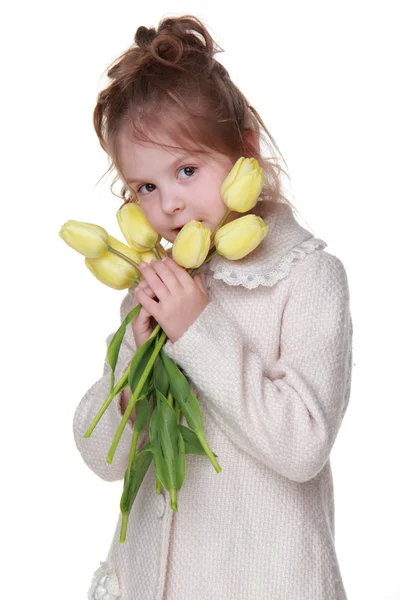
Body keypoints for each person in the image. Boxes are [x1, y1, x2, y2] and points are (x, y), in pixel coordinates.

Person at [73, 14, 353, 600]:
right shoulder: (155, 283)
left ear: (245, 150)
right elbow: (104, 457)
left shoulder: (307, 279)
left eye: (187, 170)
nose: (170, 204)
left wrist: (198, 331)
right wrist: (132, 353)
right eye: (145, 187)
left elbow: (302, 446)